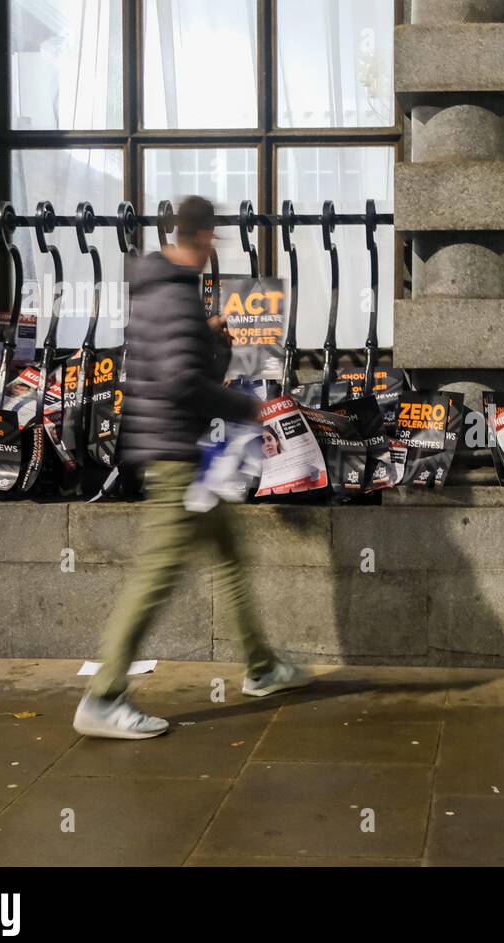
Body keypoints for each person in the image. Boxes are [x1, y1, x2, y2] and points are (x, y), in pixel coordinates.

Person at [74, 196, 309, 741]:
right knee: (155, 578)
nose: (214, 249)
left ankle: (262, 668)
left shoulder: (156, 291)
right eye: (213, 239)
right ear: (201, 238)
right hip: (175, 459)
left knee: (229, 560)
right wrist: (248, 408)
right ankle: (104, 696)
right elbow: (181, 384)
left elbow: (170, 365)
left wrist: (208, 337)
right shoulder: (176, 297)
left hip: (183, 458)